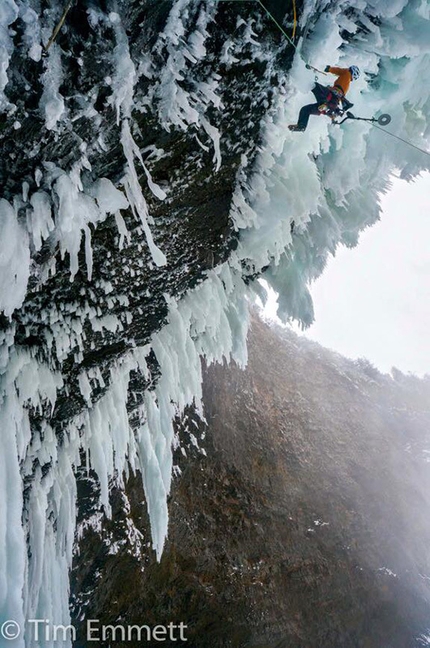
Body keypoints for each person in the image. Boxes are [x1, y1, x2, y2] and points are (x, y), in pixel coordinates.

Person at [288, 65, 360, 132]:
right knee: (306, 109)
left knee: (314, 86)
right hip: (333, 102)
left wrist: (329, 69)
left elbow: (338, 70)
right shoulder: (346, 84)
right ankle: (301, 126)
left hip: (331, 94)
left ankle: (300, 75)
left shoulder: (347, 73)